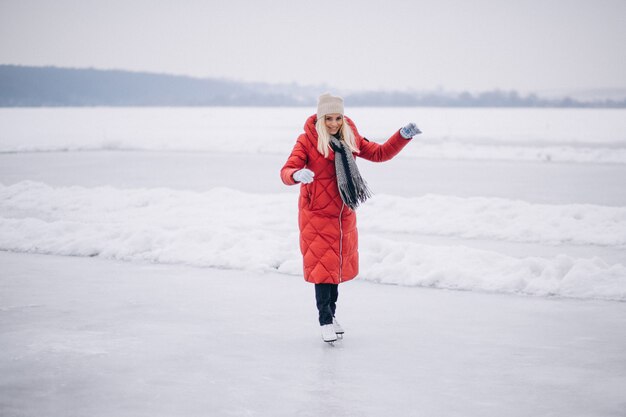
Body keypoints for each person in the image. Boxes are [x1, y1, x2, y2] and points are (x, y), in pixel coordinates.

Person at [280, 93, 421, 343]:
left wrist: (402, 136)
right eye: (329, 119)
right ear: (320, 118)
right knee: (323, 272)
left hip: (343, 215)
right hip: (316, 215)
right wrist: (296, 174)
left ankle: (331, 316)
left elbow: (379, 154)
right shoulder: (306, 141)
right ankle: (325, 320)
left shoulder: (349, 138)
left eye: (338, 118)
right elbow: (286, 170)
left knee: (333, 270)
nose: (333, 124)